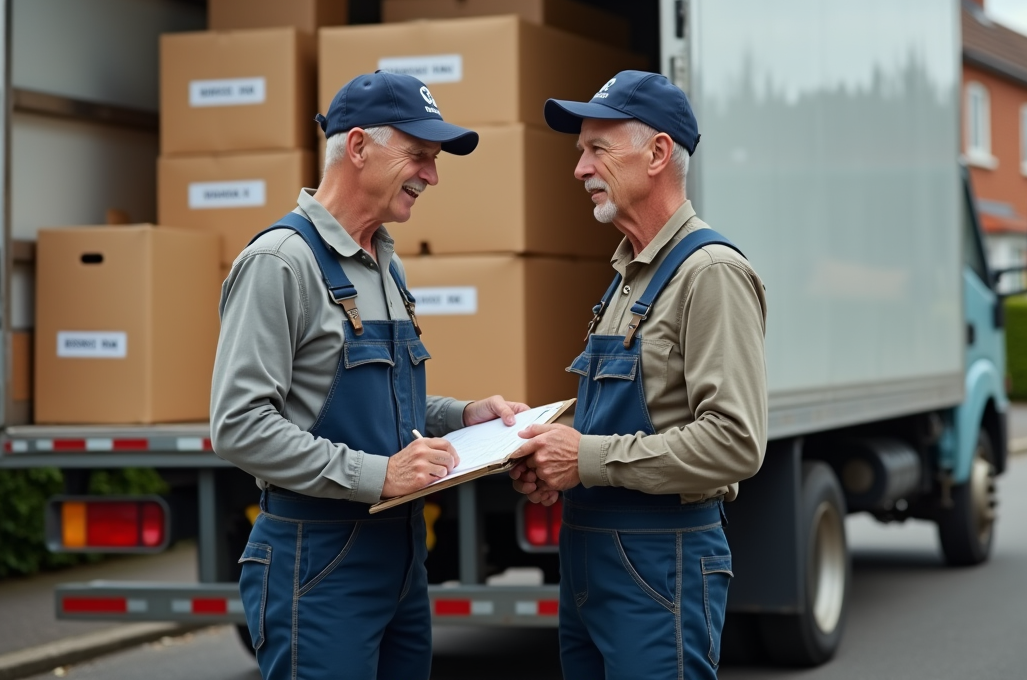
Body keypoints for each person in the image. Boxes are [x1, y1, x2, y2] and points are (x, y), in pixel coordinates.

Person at [211, 71, 528, 680]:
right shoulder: (279, 263)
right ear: (357, 147)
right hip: (319, 563)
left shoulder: (384, 262)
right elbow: (239, 426)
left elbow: (384, 404)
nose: (432, 176)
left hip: (401, 560)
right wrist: (378, 475)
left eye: (434, 162)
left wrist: (463, 416)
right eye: (419, 157)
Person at [509, 70, 769, 680]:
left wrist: (586, 459)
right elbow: (616, 415)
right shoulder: (631, 275)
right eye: (580, 152)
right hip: (592, 555)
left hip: (661, 562)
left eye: (597, 148)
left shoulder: (710, 273)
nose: (579, 168)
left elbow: (735, 442)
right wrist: (540, 446)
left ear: (657, 154)